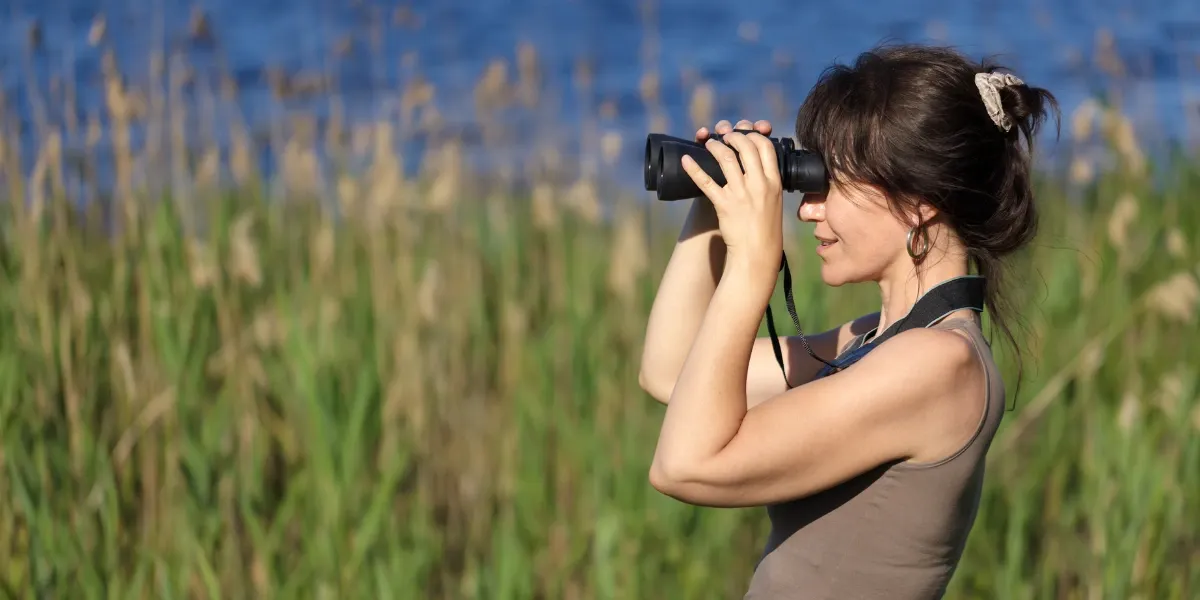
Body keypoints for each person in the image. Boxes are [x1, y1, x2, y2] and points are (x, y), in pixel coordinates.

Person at [637, 43, 1058, 599]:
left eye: (828, 183)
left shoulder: (938, 364)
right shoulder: (873, 342)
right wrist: (714, 200)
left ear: (917, 202)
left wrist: (752, 265)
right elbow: (670, 370)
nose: (808, 207)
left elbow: (685, 465)